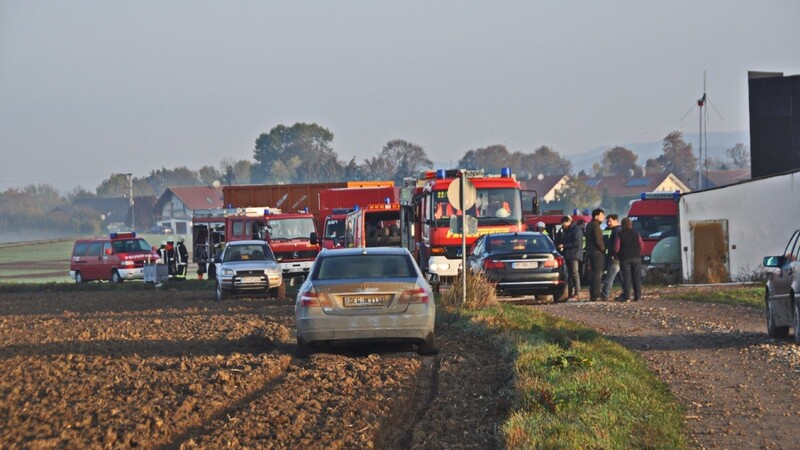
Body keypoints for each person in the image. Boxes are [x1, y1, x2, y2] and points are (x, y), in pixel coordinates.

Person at [614, 217, 644, 302]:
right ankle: (637, 296)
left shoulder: (620, 234)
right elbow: (641, 245)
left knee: (627, 278)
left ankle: (626, 297)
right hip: (636, 257)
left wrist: (616, 254)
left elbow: (617, 247)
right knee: (636, 277)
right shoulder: (636, 233)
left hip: (625, 258)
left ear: (622, 225)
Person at [560, 215, 584, 301]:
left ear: (569, 222)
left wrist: (564, 245)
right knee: (569, 275)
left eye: (564, 224)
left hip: (574, 255)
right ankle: (570, 293)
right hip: (568, 255)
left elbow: (576, 242)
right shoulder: (567, 230)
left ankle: (577, 292)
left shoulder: (576, 230)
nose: (563, 226)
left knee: (574, 273)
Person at [584, 208, 606, 301]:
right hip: (596, 252)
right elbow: (598, 240)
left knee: (594, 274)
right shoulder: (596, 226)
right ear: (596, 216)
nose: (603, 217)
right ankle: (596, 295)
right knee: (597, 274)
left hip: (590, 251)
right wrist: (603, 249)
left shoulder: (589, 225)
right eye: (602, 215)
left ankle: (593, 294)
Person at [600, 214, 621, 301]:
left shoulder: (617, 231)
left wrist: (612, 254)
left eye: (610, 221)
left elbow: (616, 245)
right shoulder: (618, 230)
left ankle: (605, 294)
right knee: (621, 277)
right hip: (620, 257)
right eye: (607, 222)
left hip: (615, 257)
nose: (608, 223)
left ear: (616, 220)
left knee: (610, 277)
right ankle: (627, 293)